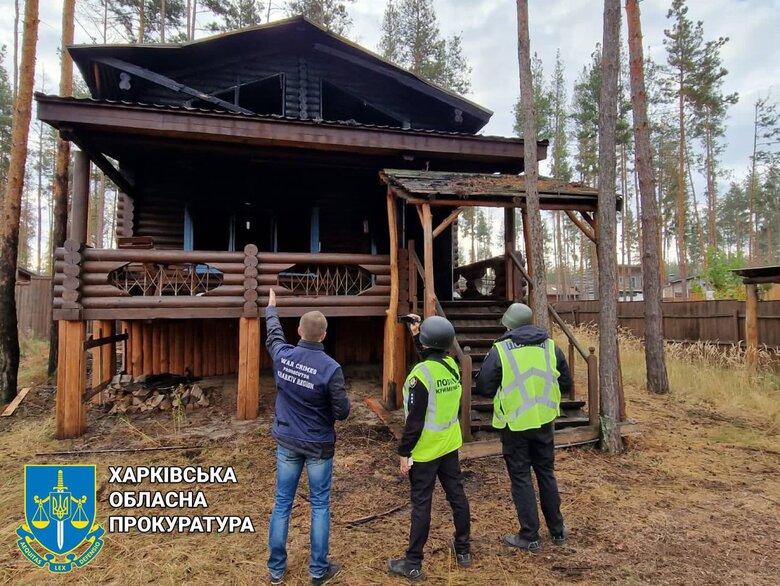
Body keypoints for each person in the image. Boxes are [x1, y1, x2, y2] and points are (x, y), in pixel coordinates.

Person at [265, 289, 351, 585]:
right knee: (320, 505)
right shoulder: (331, 369)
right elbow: (342, 412)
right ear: (324, 336)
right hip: (318, 446)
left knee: (282, 503)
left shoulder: (283, 356)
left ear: (299, 331)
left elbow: (274, 336)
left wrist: (271, 309)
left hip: (287, 441)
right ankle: (318, 571)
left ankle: (276, 570)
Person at [474, 302, 572, 553]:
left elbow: (484, 388)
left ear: (509, 324)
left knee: (521, 478)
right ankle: (558, 531)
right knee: (546, 474)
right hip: (544, 421)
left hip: (515, 423)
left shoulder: (501, 350)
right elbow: (566, 383)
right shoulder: (551, 346)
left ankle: (529, 536)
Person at [387, 315, 472, 581]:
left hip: (425, 451)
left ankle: (413, 563)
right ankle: (463, 549)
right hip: (449, 445)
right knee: (456, 495)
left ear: (427, 342)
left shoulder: (419, 376)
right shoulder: (451, 366)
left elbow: (415, 420)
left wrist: (404, 452)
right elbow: (431, 362)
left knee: (421, 504)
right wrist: (416, 334)